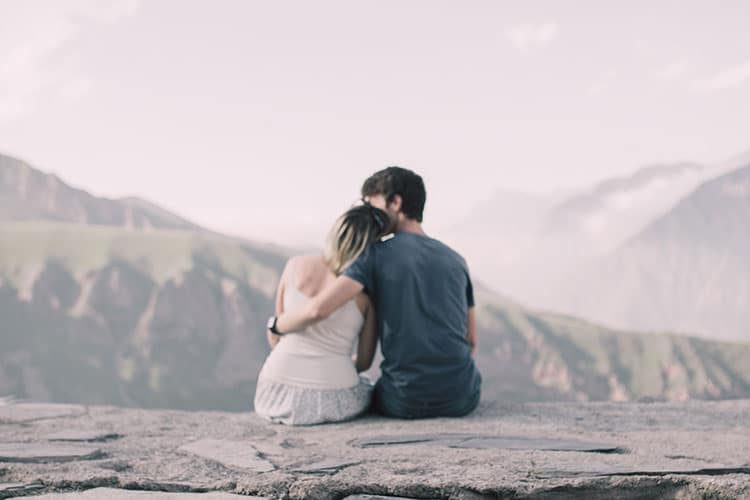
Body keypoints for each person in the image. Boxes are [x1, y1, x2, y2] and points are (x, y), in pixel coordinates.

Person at [268, 166, 481, 418]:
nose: (369, 214)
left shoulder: (375, 254)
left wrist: (276, 325)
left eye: (372, 205)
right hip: (463, 397)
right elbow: (471, 341)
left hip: (404, 400)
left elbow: (320, 308)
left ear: (395, 202)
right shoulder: (456, 260)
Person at [254, 204, 392, 425]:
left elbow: (277, 338)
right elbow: (364, 361)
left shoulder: (294, 265)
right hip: (334, 399)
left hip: (274, 393)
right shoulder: (366, 295)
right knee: (366, 384)